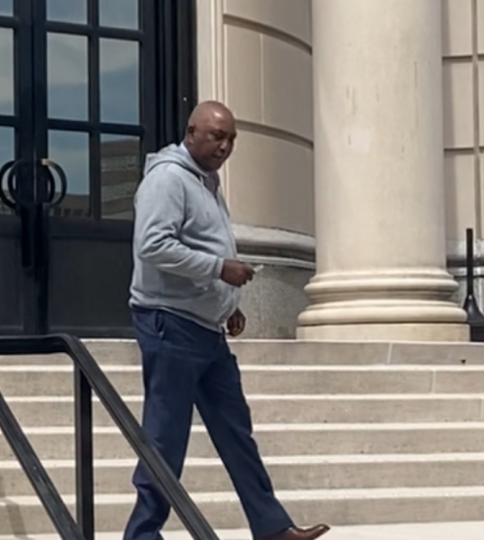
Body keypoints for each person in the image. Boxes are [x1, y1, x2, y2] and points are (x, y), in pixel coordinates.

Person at [123, 100, 330, 540]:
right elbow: (153, 246)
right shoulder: (168, 179)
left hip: (204, 328)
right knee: (165, 437)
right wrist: (220, 269)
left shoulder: (206, 182)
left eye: (231, 137)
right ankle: (141, 535)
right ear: (191, 132)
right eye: (217, 135)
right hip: (169, 324)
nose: (225, 145)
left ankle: (272, 528)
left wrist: (225, 303)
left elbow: (198, 244)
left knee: (236, 431)